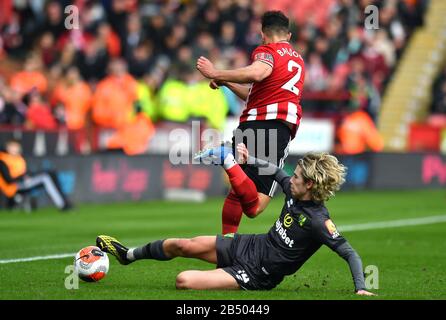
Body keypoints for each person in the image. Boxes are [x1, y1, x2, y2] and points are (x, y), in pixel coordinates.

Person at [96, 147, 375, 295]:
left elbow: (350, 253)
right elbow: (277, 171)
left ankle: (227, 275)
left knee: (183, 281)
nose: (292, 179)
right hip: (249, 246)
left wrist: (361, 287)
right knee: (182, 244)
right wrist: (248, 158)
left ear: (311, 186)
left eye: (299, 177)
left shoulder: (318, 221)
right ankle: (127, 255)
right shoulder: (293, 189)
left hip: (257, 275)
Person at [195, 11, 306, 234]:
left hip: (251, 126)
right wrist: (222, 78)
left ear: (263, 34)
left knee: (238, 194)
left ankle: (226, 245)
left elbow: (256, 78)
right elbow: (256, 83)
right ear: (289, 35)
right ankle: (227, 159)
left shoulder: (266, 51)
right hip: (277, 127)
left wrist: (217, 73)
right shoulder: (298, 59)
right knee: (255, 207)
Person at [0, 139, 72, 211]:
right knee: (45, 177)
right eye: (12, 146)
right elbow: (8, 180)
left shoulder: (18, 158)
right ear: (7, 147)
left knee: (50, 173)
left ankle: (64, 201)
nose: (15, 149)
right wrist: (23, 177)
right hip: (13, 187)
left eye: (16, 146)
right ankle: (63, 205)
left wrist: (27, 175)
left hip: (22, 182)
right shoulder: (3, 159)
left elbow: (23, 172)